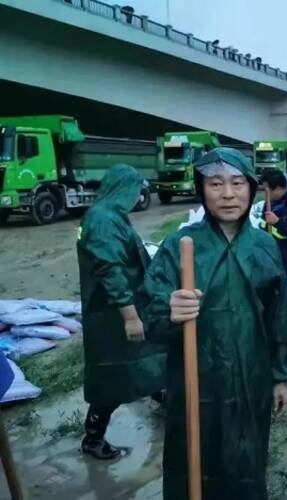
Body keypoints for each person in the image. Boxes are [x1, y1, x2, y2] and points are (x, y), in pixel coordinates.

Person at [140, 147, 287, 499]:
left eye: (237, 183)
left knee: (246, 460)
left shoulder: (263, 247)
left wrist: (282, 375)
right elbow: (148, 307)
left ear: (251, 188)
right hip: (195, 380)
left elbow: (281, 314)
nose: (228, 194)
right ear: (202, 189)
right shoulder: (180, 246)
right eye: (215, 183)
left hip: (251, 378)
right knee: (194, 457)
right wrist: (169, 309)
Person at [76, 164, 166, 460]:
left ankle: (163, 396)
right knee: (112, 375)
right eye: (135, 190)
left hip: (125, 305)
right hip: (113, 313)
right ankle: (93, 439)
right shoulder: (102, 219)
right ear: (122, 188)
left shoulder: (110, 215)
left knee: (148, 357)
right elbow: (110, 269)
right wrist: (129, 316)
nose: (137, 196)